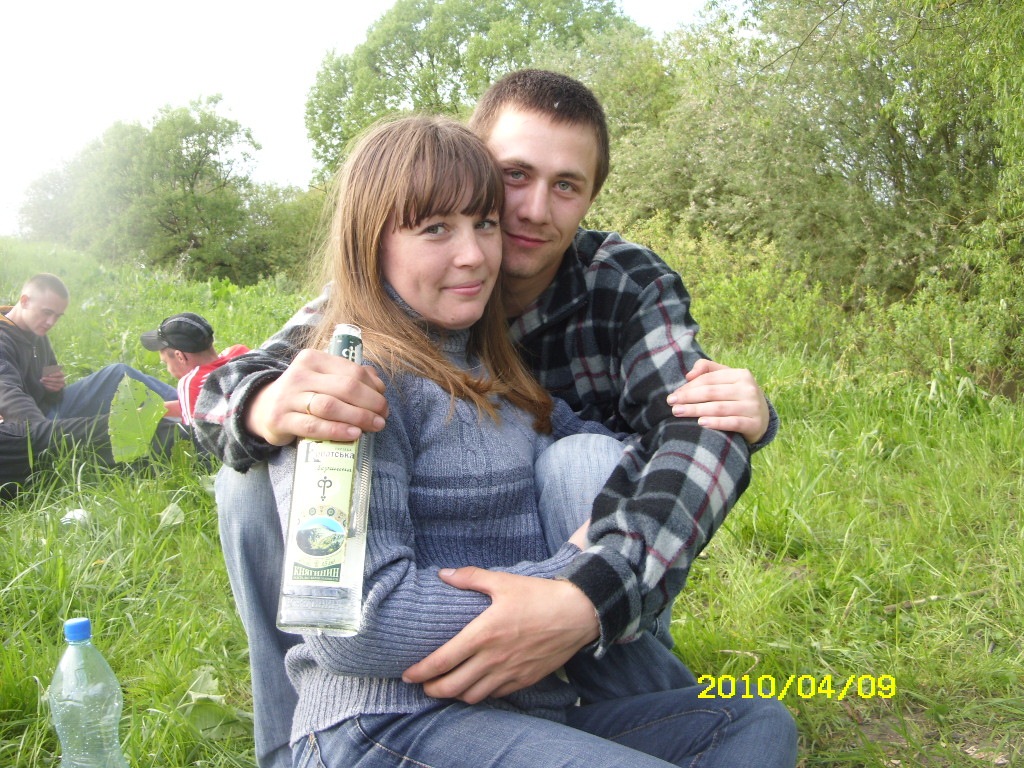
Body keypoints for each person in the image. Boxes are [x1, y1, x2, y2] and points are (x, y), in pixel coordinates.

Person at [195, 71, 779, 768]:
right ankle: (287, 748)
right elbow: (350, 619)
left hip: (520, 696)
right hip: (386, 721)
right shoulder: (352, 375)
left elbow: (676, 426)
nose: (522, 217)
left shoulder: (535, 340)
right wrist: (264, 405)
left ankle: (625, 687)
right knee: (246, 473)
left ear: (591, 196)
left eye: (564, 186)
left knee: (756, 723)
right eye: (514, 177)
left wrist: (735, 421)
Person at [0, 273, 183, 489]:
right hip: (30, 427)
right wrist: (44, 433)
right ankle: (184, 428)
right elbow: (7, 393)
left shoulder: (36, 330)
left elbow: (51, 372)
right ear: (24, 301)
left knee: (118, 373)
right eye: (47, 313)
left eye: (57, 316)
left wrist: (55, 387)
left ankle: (189, 404)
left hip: (50, 408)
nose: (51, 322)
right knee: (114, 421)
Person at [140, 312, 249, 424]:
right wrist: (152, 409)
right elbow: (197, 404)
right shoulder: (240, 352)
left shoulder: (191, 383)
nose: (168, 370)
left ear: (180, 356)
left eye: (166, 363)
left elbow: (194, 432)